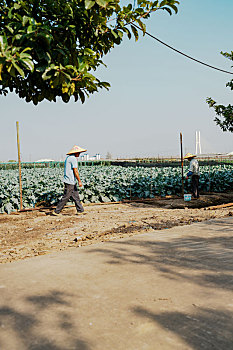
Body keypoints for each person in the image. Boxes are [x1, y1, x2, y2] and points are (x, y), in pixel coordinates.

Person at [52, 145, 87, 216]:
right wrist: (79, 181)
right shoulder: (73, 159)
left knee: (76, 196)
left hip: (70, 181)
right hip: (69, 181)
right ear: (76, 152)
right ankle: (56, 211)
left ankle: (80, 210)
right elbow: (75, 171)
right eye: (79, 152)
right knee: (66, 197)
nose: (79, 154)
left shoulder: (69, 158)